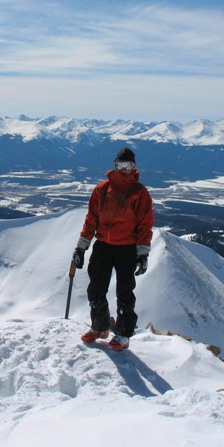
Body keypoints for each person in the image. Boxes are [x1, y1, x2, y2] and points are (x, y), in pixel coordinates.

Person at [72, 147, 154, 351]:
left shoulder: (139, 193)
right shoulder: (102, 189)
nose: (125, 170)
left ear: (134, 167)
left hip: (126, 248)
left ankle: (123, 334)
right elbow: (91, 219)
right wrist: (81, 247)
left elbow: (145, 224)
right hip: (103, 246)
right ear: (114, 165)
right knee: (95, 288)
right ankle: (100, 327)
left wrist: (142, 253)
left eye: (129, 166)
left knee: (124, 291)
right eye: (121, 165)